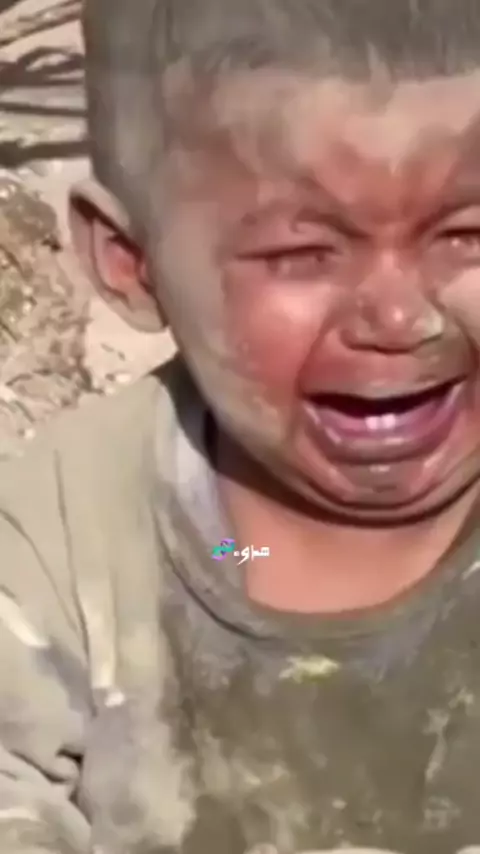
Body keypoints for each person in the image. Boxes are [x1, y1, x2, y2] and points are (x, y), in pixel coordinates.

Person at [2, 0, 480, 852]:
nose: (402, 318)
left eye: (467, 234)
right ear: (131, 263)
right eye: (303, 255)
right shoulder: (75, 540)